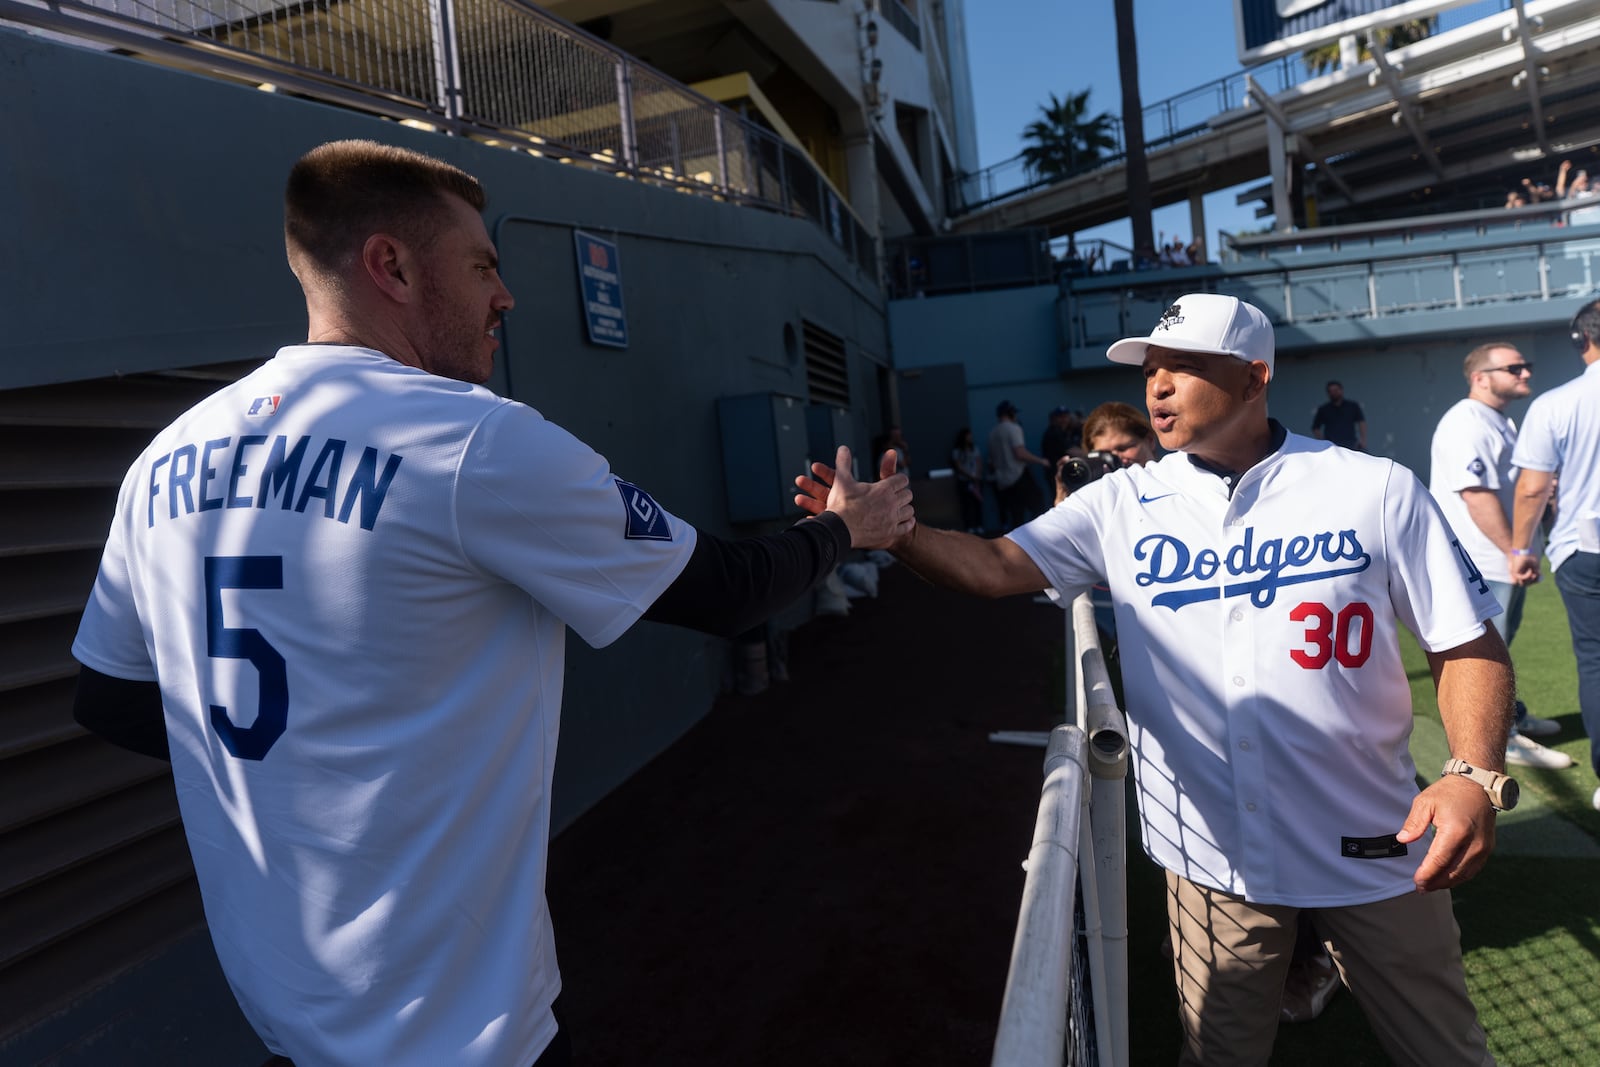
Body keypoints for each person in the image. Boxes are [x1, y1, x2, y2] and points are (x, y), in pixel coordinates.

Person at [68, 140, 914, 1067]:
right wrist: (847, 529)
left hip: (280, 1016)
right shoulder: (472, 439)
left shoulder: (163, 458)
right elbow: (730, 593)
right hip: (455, 1031)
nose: (504, 296)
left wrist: (287, 748)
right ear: (390, 265)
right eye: (482, 267)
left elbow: (107, 698)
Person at [798, 293, 1513, 1064]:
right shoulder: (1121, 502)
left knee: (1447, 1052)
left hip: (1375, 844)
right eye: (1151, 368)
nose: (1157, 386)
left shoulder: (1371, 486)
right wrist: (893, 531)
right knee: (1216, 1057)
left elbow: (1466, 643)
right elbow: (997, 565)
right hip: (1213, 856)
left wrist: (1472, 773)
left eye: (1183, 366)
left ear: (1253, 376)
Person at [1430, 341, 1573, 769]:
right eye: (1514, 368)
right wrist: (1515, 550)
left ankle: (1511, 715)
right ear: (1481, 378)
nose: (1525, 373)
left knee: (1503, 644)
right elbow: (1476, 496)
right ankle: (1501, 737)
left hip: (1499, 557)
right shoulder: (1466, 422)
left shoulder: (1497, 421)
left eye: (1525, 366)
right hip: (1483, 560)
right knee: (1488, 653)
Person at [1510, 298, 1600, 811]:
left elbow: (1531, 490)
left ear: (1579, 340)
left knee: (1595, 660)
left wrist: (1523, 548)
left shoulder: (1556, 403)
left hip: (1586, 547)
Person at [988, 400, 1050, 532]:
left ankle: (1018, 544)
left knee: (1016, 514)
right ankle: (1038, 536)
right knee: (1038, 505)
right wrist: (1041, 461)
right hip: (1018, 475)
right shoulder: (1013, 428)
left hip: (1003, 481)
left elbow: (992, 461)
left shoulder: (992, 433)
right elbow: (1020, 453)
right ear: (1010, 413)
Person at [1311, 379, 1366, 450]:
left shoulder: (1352, 406)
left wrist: (1363, 440)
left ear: (1341, 390)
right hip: (1332, 446)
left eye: (1336, 390)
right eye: (1331, 391)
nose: (1334, 393)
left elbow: (1361, 422)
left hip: (1351, 444)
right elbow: (1315, 428)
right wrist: (1323, 442)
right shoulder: (1323, 409)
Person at [950, 427, 985, 534]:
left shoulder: (974, 448)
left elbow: (979, 462)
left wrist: (977, 476)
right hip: (964, 481)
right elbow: (958, 466)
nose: (970, 438)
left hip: (976, 481)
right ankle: (969, 526)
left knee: (977, 504)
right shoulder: (957, 451)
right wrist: (970, 475)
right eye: (968, 436)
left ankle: (979, 525)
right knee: (966, 504)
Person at [1040, 404, 1080, 471]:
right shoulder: (1053, 432)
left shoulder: (1068, 430)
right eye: (1060, 417)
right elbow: (1072, 451)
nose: (1063, 419)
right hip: (1056, 471)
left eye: (1065, 416)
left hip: (1066, 468)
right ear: (1054, 419)